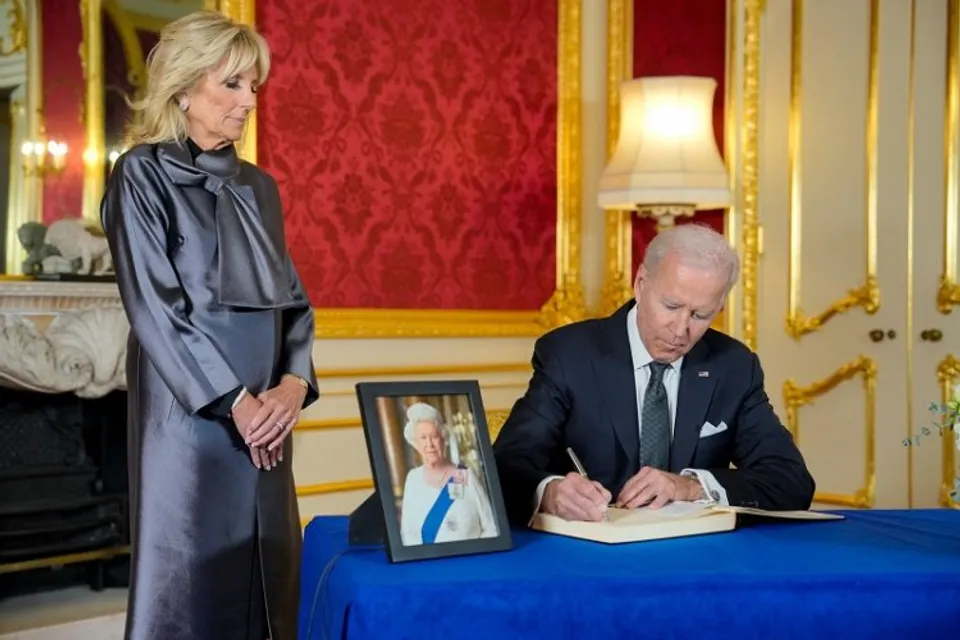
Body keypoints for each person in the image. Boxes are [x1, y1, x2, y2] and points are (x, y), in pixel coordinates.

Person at [99, 11, 318, 640]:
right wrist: (237, 404)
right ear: (185, 88)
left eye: (254, 85)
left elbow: (296, 305)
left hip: (268, 422)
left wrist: (290, 390)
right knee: (189, 582)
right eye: (233, 85)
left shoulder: (262, 187)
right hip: (188, 420)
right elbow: (156, 310)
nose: (250, 101)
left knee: (271, 570)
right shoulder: (140, 174)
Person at [493, 224, 815, 526]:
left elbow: (791, 481)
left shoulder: (733, 366)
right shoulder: (569, 355)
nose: (681, 330)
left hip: (694, 557)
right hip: (591, 553)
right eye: (671, 306)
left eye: (700, 315)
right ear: (641, 283)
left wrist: (691, 486)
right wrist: (549, 492)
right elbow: (507, 465)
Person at [399, 402, 498, 545]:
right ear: (415, 443)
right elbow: (407, 534)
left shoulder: (465, 476)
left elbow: (491, 527)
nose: (430, 444)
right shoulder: (413, 479)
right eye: (423, 438)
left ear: (443, 439)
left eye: (434, 436)